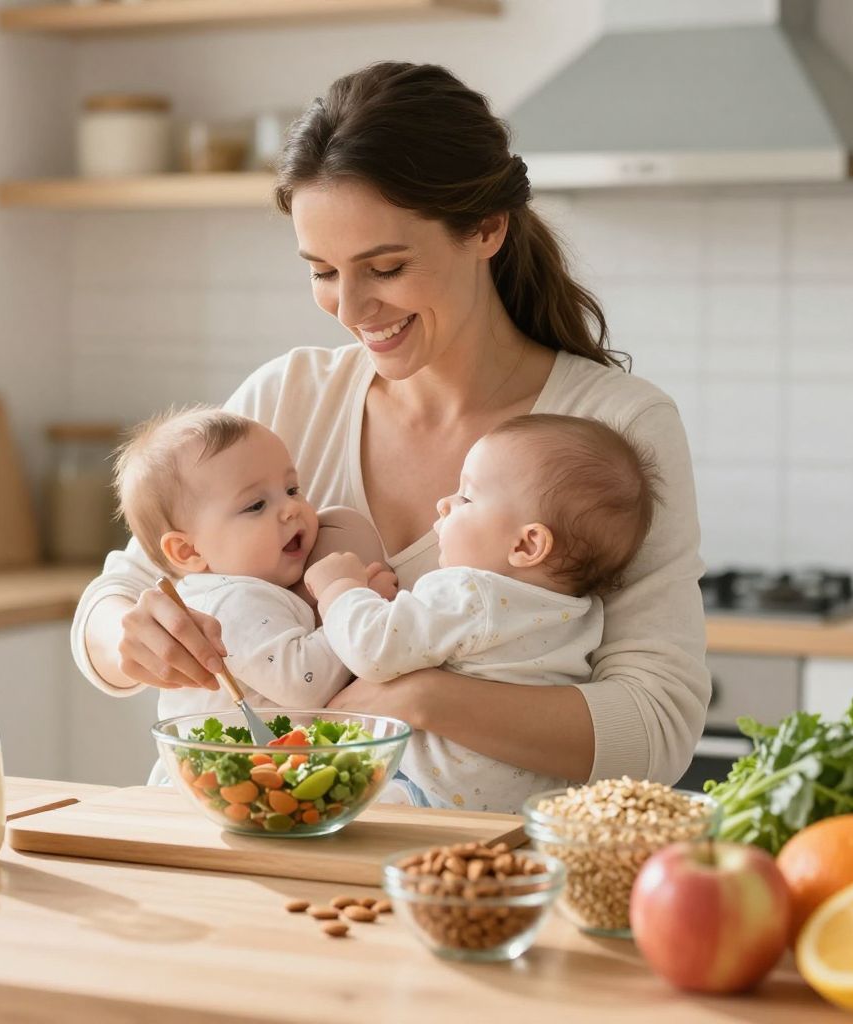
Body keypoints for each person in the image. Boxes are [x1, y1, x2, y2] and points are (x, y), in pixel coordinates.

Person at [71, 61, 709, 787]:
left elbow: (657, 725)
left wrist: (417, 698)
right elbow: (118, 593)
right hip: (236, 860)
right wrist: (123, 639)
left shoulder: (615, 424)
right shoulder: (288, 397)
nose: (350, 309)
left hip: (466, 884)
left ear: (487, 229)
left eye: (386, 267)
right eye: (321, 270)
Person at [305, 414, 660, 811]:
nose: (444, 503)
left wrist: (340, 589)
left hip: (430, 794)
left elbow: (373, 649)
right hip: (526, 806)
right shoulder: (580, 614)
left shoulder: (470, 591)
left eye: (467, 498)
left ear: (527, 546)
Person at [110, 404, 391, 721]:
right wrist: (356, 600)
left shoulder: (242, 590)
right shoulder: (230, 605)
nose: (290, 509)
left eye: (292, 489)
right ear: (188, 551)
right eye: (256, 505)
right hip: (224, 771)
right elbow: (304, 684)